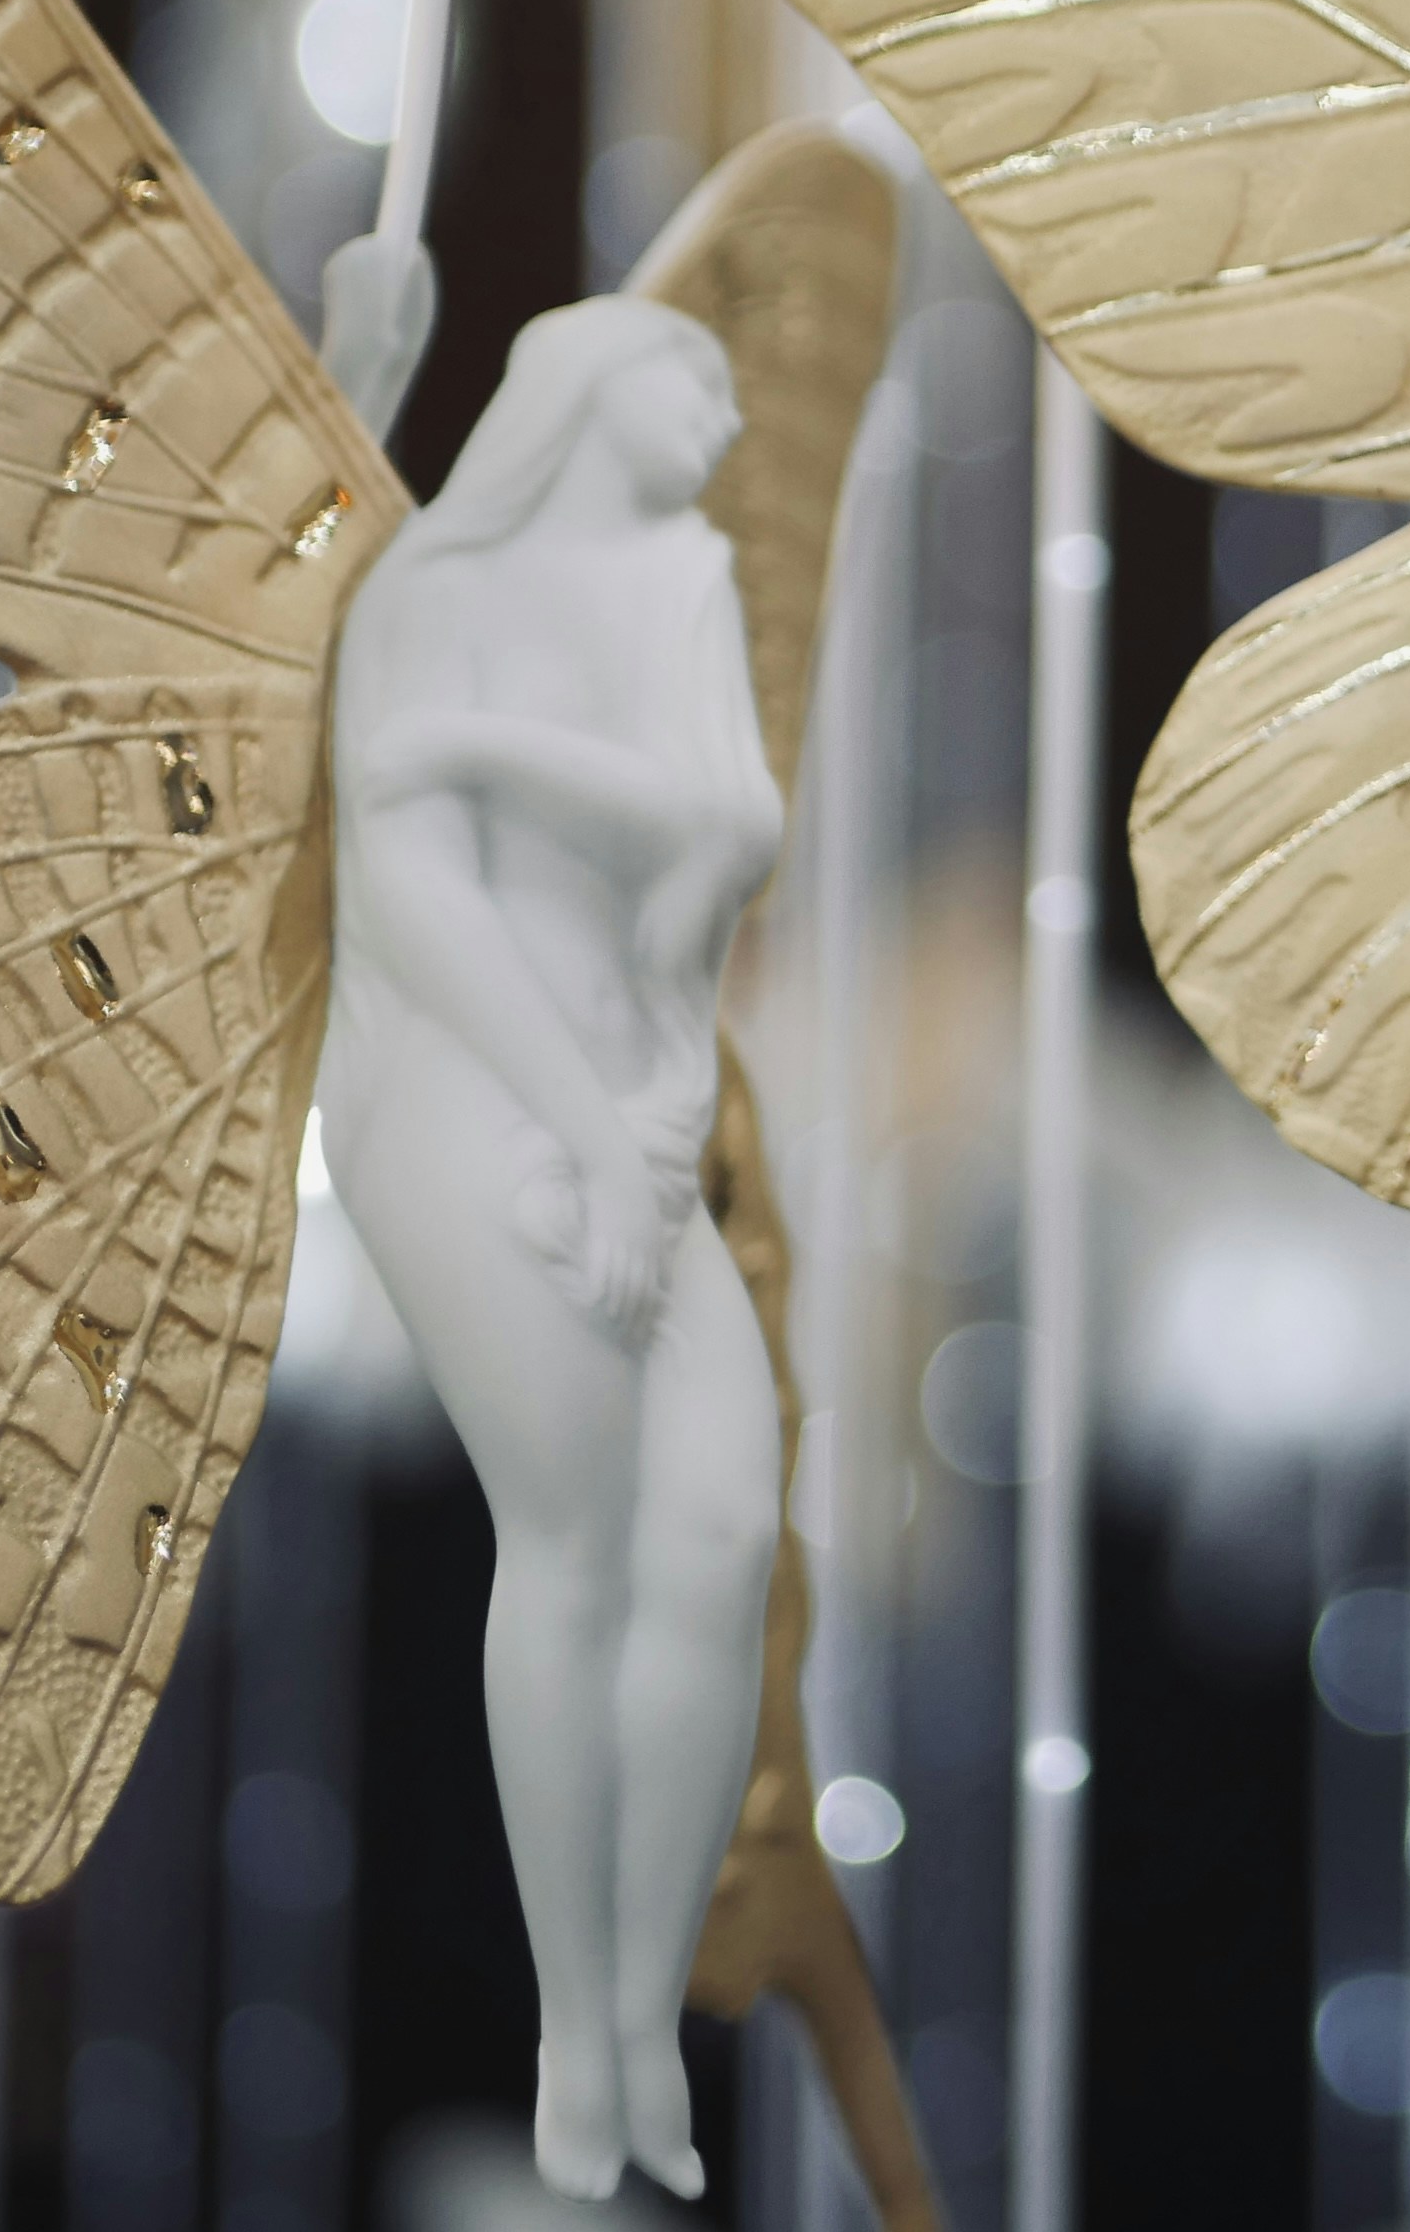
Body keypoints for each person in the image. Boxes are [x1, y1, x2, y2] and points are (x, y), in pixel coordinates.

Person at [316, 296, 790, 2200]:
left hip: (639, 1089)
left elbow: (730, 829)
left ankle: (633, 2022)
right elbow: (414, 894)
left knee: (727, 1528)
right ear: (590, 388)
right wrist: (588, 1135)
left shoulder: (690, 579)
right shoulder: (432, 586)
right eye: (702, 373)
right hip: (466, 1099)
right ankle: (577, 2044)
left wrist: (655, 1110)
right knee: (582, 1534)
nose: (733, 407)